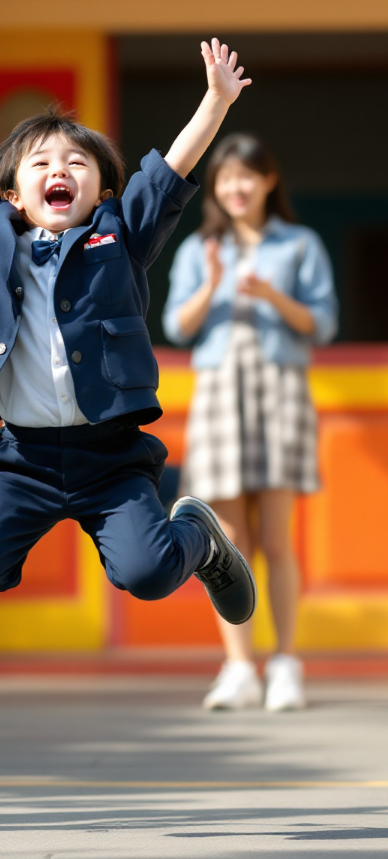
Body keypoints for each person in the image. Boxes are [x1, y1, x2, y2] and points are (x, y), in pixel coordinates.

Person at [0, 30, 257, 634]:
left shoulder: (120, 234)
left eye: (76, 163)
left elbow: (174, 167)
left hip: (110, 458)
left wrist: (217, 103)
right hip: (22, 458)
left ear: (103, 190)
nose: (59, 170)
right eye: (40, 164)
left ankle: (200, 541)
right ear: (15, 194)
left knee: (148, 574)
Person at [163, 133, 338, 712]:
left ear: (268, 181)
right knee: (228, 542)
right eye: (225, 178)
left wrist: (269, 295)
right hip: (219, 394)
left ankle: (285, 663)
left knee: (275, 539)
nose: (236, 187)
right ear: (215, 187)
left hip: (280, 389)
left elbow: (324, 323)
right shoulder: (199, 249)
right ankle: (239, 668)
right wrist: (213, 285)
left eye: (247, 176)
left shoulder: (300, 244)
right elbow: (177, 326)